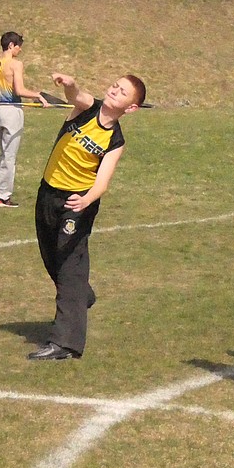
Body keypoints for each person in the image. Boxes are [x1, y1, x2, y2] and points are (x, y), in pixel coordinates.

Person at [28, 72, 146, 361]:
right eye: (115, 85)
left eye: (122, 93)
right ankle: (81, 295)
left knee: (70, 265)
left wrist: (85, 200)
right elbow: (75, 95)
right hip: (48, 193)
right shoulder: (87, 108)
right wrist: (69, 84)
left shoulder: (115, 141)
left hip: (77, 202)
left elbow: (102, 181)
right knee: (50, 257)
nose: (115, 91)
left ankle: (65, 343)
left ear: (131, 108)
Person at [0, 32, 48, 208]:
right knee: (10, 156)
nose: (20, 49)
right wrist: (38, 95)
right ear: (11, 45)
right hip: (12, 112)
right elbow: (19, 90)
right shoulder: (16, 64)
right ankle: (2, 196)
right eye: (18, 46)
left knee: (5, 152)